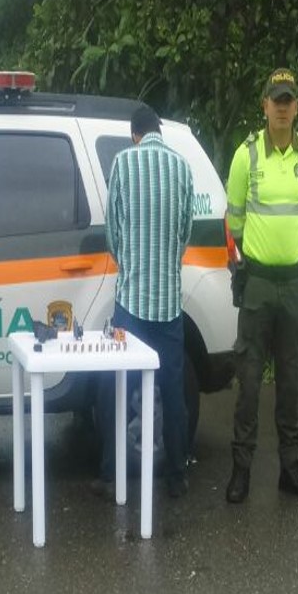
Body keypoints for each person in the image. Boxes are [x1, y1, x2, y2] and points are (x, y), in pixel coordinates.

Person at [223, 67, 298, 504]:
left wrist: (294, 248)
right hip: (260, 283)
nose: (282, 107)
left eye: (289, 100)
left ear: (296, 106)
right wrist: (248, 262)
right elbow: (234, 220)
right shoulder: (247, 156)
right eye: (275, 99)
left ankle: (290, 467)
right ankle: (241, 470)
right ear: (264, 104)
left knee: (290, 380)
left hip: (294, 285)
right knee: (248, 381)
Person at [93, 104, 195, 499]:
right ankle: (177, 474)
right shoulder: (182, 168)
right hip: (168, 303)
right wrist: (166, 263)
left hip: (131, 303)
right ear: (158, 130)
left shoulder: (122, 163)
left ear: (134, 133)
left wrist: (130, 265)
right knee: (171, 388)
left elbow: (113, 232)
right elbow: (185, 231)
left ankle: (109, 473)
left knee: (120, 386)